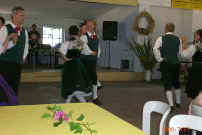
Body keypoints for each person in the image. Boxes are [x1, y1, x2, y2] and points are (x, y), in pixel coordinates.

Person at [59, 25, 97, 103]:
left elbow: (61, 51)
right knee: (76, 83)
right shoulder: (81, 43)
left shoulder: (67, 43)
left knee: (70, 83)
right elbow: (86, 51)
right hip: (77, 64)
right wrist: (92, 52)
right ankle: (72, 102)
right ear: (77, 33)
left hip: (69, 65)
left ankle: (77, 101)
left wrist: (65, 58)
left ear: (69, 33)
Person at [153, 22, 182, 112]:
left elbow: (155, 49)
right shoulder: (178, 39)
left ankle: (171, 105)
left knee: (167, 85)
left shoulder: (161, 38)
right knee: (176, 83)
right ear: (173, 30)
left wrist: (159, 58)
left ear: (166, 29)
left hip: (166, 63)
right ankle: (178, 101)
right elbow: (179, 52)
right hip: (176, 64)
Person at [0, 6, 29, 97]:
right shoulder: (5, 29)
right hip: (5, 63)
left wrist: (23, 58)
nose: (23, 17)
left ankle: (13, 106)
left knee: (15, 87)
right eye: (21, 15)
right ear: (14, 15)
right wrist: (11, 42)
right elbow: (0, 47)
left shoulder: (24, 31)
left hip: (17, 64)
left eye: (24, 16)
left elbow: (26, 46)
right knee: (3, 87)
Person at [80, 20, 102, 105]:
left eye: (90, 25)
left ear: (94, 26)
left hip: (93, 60)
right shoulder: (84, 37)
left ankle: (78, 94)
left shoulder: (96, 36)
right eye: (87, 26)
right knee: (93, 77)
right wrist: (90, 52)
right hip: (86, 60)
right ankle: (95, 98)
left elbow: (98, 47)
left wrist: (98, 55)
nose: (89, 27)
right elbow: (82, 48)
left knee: (88, 77)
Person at [181, 29, 202, 99]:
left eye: (196, 34)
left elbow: (184, 55)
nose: (195, 36)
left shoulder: (195, 47)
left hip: (197, 69)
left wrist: (183, 44)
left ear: (199, 36)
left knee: (196, 87)